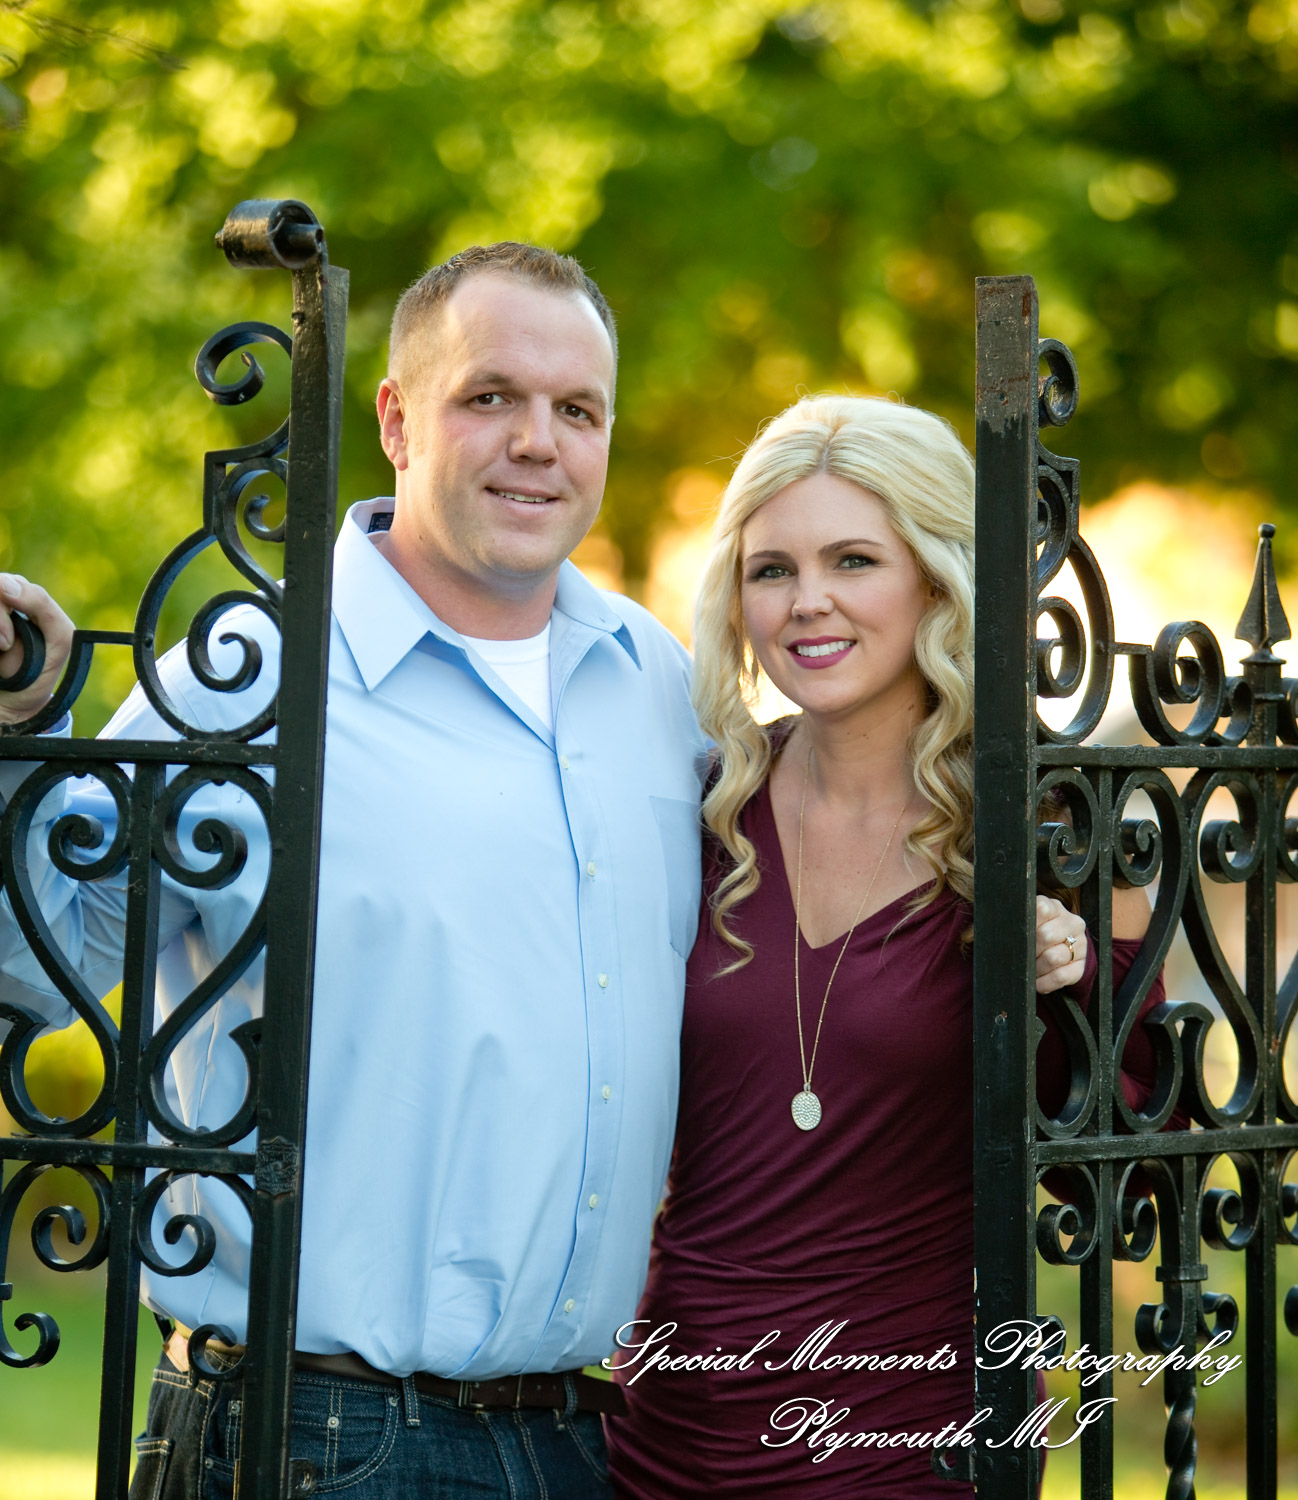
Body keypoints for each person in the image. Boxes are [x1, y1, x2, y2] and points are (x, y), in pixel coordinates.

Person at [0, 244, 707, 1497]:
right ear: (393, 417)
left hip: (589, 1441)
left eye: (575, 409)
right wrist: (12, 742)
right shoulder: (253, 675)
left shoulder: (651, 680)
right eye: (489, 396)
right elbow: (39, 962)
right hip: (317, 1437)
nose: (537, 441)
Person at [603, 394, 1168, 1498]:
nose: (806, 603)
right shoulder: (694, 809)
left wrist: (1068, 980)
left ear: (936, 578)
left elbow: (1135, 1141)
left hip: (901, 1440)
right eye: (771, 570)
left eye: (852, 559)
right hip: (663, 1430)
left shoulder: (1033, 832)